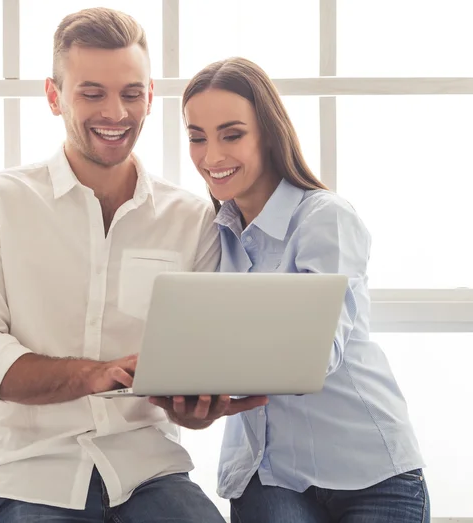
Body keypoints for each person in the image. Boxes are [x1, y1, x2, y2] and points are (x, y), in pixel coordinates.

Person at [0, 9, 264, 523]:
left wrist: (197, 406)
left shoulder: (192, 218)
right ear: (54, 97)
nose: (116, 113)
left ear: (150, 96)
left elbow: (198, 357)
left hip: (150, 472)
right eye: (92, 94)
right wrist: (96, 375)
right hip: (31, 474)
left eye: (131, 94)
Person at [150, 57, 430, 523]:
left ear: (269, 133)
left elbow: (316, 357)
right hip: (269, 476)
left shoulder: (324, 218)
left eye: (232, 134)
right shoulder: (209, 234)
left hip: (369, 473)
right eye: (198, 137)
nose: (211, 156)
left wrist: (215, 379)